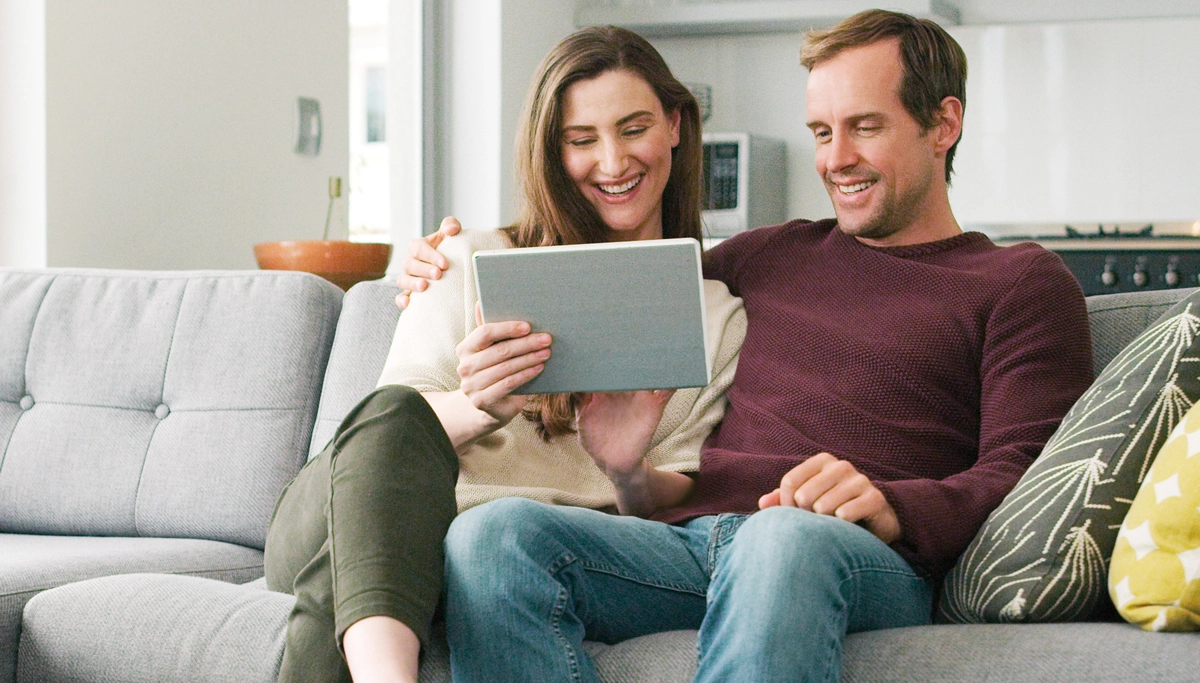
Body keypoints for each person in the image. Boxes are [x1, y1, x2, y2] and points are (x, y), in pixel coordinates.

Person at [397, 10, 1095, 682]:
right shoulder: (766, 255)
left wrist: (890, 504)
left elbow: (1031, 475)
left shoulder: (1020, 282)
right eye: (821, 131)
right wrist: (445, 263)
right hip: (692, 541)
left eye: (864, 128)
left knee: (781, 535)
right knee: (495, 537)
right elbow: (607, 278)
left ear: (943, 123)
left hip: (859, 554)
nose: (835, 159)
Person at [262, 26, 745, 683]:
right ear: (551, 151)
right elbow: (380, 442)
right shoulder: (466, 260)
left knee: (366, 574)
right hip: (363, 519)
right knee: (398, 419)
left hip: (496, 556)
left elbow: (666, 518)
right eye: (581, 140)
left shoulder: (716, 314)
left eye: (634, 128)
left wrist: (625, 465)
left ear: (676, 125)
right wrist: (477, 405)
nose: (613, 161)